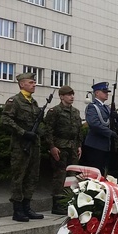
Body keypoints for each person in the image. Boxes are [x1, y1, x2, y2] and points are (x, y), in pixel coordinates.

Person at [1, 72, 45, 222]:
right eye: (31, 82)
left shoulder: (33, 102)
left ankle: (27, 206)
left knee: (32, 176)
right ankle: (17, 209)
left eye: (34, 82)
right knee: (19, 176)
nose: (34, 85)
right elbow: (5, 119)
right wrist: (23, 132)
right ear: (22, 84)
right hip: (21, 145)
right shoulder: (15, 101)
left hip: (34, 145)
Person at [44, 85, 83, 214]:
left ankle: (68, 201)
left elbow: (78, 131)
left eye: (72, 95)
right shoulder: (54, 111)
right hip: (60, 147)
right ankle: (57, 204)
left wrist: (79, 145)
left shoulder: (76, 112)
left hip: (72, 147)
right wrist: (52, 146)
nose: (72, 97)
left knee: (72, 176)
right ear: (61, 96)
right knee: (60, 176)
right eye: (68, 95)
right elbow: (48, 131)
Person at [82, 82, 116, 173]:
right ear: (97, 93)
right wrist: (109, 133)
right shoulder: (92, 107)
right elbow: (94, 124)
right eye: (104, 91)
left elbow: (112, 123)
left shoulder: (106, 108)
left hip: (105, 145)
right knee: (95, 173)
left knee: (103, 172)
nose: (107, 94)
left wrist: (116, 117)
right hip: (95, 145)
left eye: (107, 92)